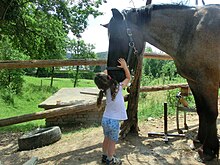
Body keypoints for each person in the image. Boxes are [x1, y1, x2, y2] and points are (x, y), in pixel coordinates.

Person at [94, 58, 131, 165]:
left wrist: (106, 71)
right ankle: (110, 160)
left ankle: (104, 156)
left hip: (105, 119)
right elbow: (128, 77)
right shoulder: (118, 88)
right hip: (114, 122)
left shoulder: (104, 90)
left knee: (106, 138)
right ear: (108, 78)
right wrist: (124, 66)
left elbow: (104, 76)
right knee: (112, 142)